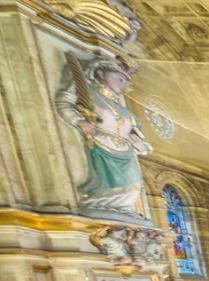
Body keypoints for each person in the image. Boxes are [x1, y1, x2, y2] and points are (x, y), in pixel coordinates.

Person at [55, 56, 152, 220]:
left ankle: (123, 211)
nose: (124, 85)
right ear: (101, 73)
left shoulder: (124, 109)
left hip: (126, 154)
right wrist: (79, 121)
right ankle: (104, 208)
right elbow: (64, 102)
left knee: (134, 188)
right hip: (102, 147)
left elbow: (139, 136)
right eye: (119, 79)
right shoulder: (88, 93)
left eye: (126, 82)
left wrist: (142, 147)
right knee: (107, 188)